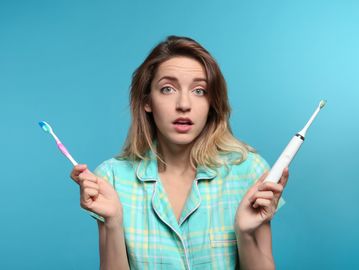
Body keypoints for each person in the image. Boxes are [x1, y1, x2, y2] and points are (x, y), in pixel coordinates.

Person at [70, 35, 288, 270]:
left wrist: (245, 234)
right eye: (167, 89)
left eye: (199, 90)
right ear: (147, 101)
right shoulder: (112, 178)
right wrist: (113, 222)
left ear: (212, 102)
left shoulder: (249, 171)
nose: (184, 104)